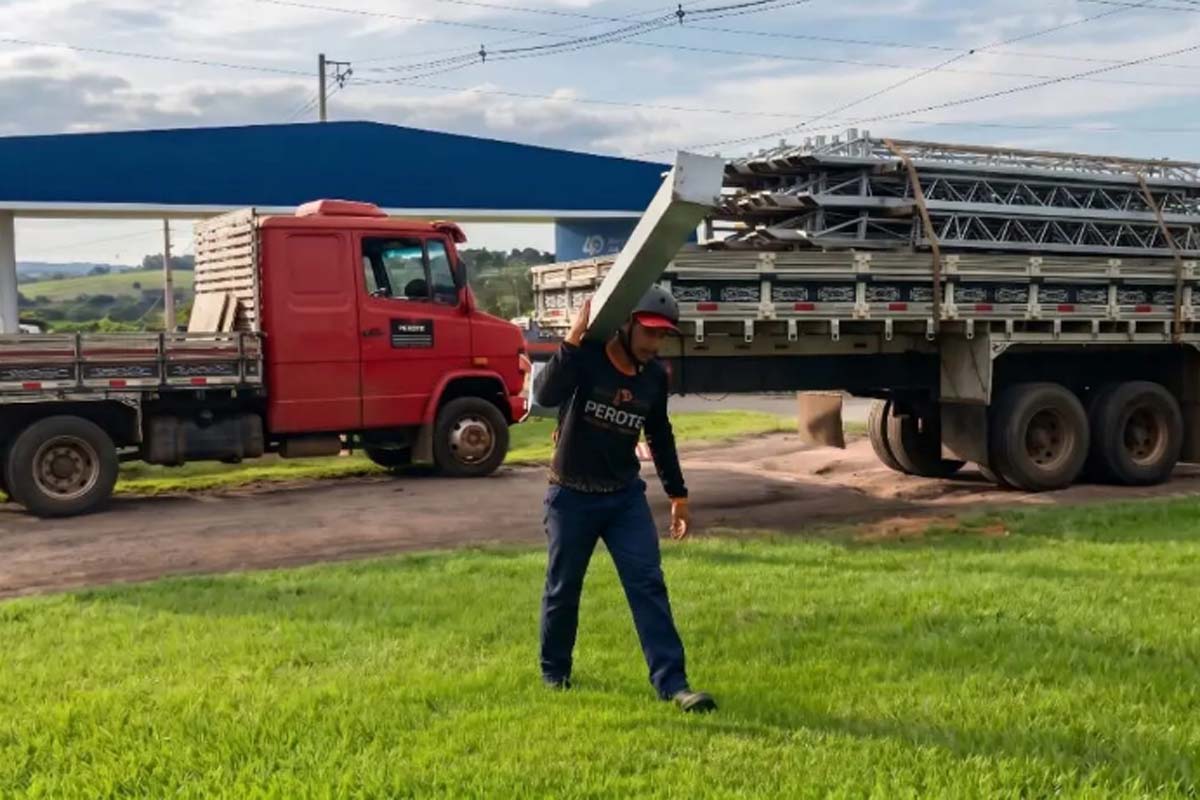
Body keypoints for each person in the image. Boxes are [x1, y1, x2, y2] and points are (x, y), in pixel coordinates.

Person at [533, 286, 716, 713]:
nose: (654, 344)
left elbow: (660, 434)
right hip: (570, 495)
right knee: (563, 588)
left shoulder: (654, 377)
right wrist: (573, 339)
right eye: (648, 333)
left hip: (623, 500)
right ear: (628, 325)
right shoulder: (587, 359)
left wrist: (678, 493)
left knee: (648, 585)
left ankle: (674, 684)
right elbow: (545, 395)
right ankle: (554, 671)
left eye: (662, 336)